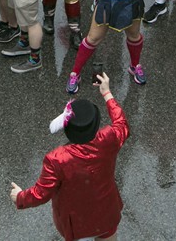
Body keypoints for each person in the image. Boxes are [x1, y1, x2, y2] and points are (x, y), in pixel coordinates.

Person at [10, 72, 129, 240]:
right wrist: (107, 93)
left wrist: (20, 198)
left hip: (75, 220)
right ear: (96, 126)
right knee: (107, 234)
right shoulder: (110, 138)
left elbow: (41, 193)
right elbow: (121, 123)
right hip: (106, 210)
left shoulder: (57, 159)